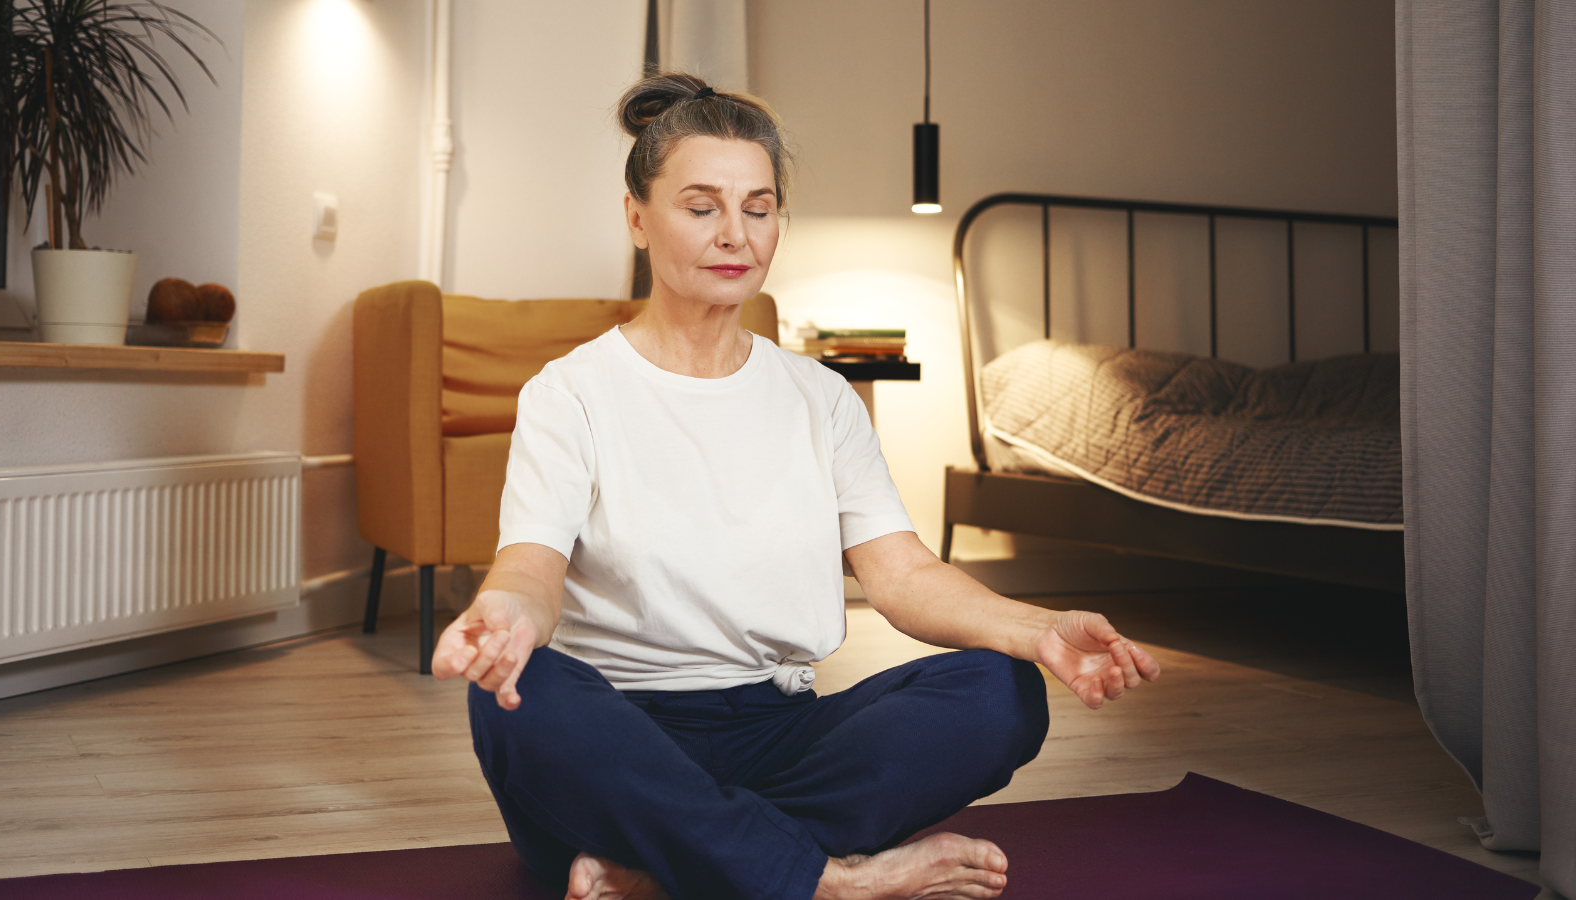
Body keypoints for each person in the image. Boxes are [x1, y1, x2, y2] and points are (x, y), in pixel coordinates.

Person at [432, 72, 1160, 900]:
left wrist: (1039, 629)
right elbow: (531, 569)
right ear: (637, 216)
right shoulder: (570, 393)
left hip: (779, 726)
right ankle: (828, 880)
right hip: (622, 733)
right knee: (519, 697)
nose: (733, 233)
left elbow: (904, 575)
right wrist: (503, 618)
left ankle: (667, 871)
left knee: (999, 690)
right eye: (700, 206)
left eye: (759, 206)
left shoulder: (822, 399)